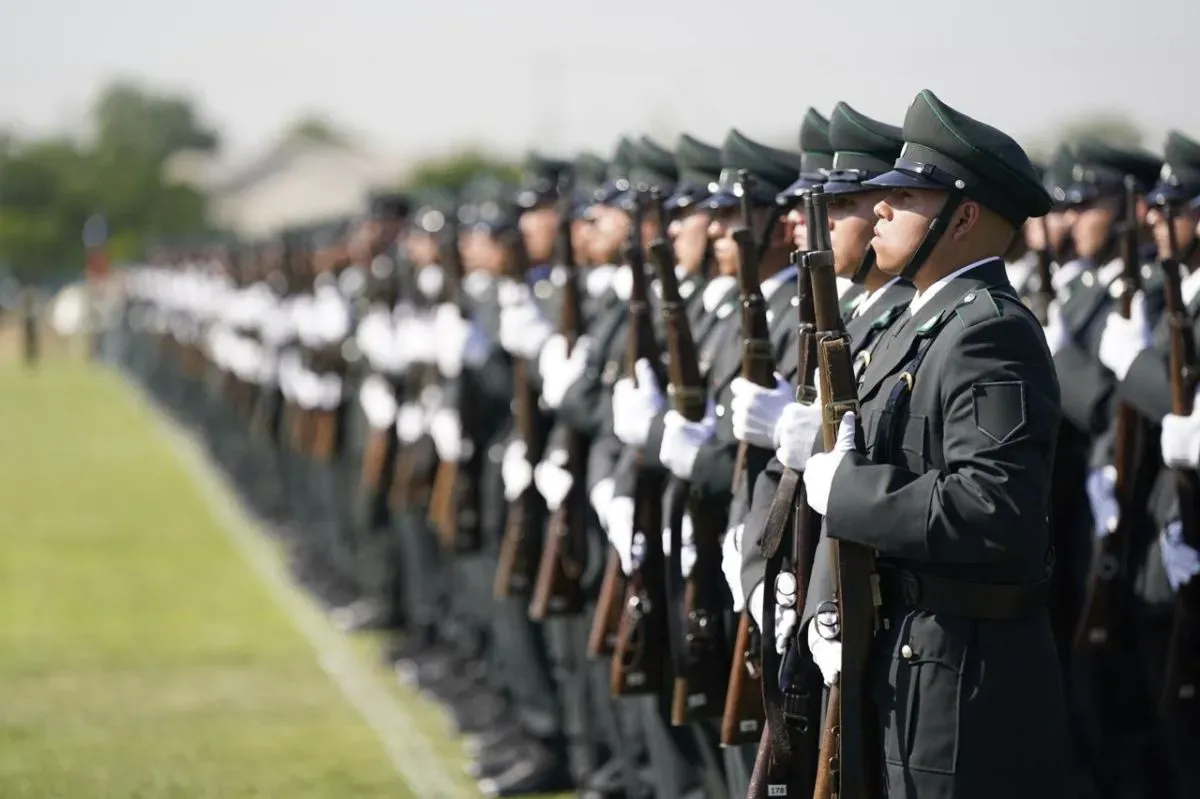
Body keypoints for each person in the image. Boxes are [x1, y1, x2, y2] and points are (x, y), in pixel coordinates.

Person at [794, 89, 1071, 797]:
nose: (881, 209)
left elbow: (993, 506)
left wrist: (847, 492)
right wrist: (828, 599)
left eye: (905, 196)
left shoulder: (989, 331)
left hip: (961, 672)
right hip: (907, 649)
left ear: (964, 217)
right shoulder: (917, 324)